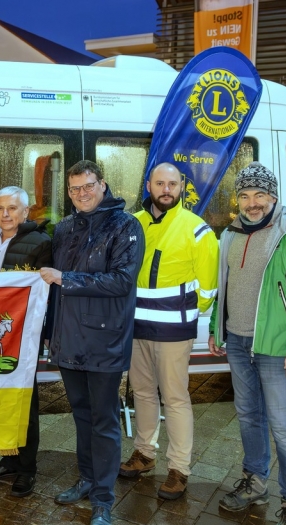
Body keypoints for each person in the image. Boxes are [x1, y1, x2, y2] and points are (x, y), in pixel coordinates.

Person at [210, 162, 286, 525]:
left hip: (278, 349)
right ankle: (256, 482)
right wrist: (218, 328)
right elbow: (222, 286)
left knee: (285, 429)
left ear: (273, 196)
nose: (252, 202)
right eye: (245, 195)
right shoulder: (230, 233)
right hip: (240, 343)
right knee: (248, 416)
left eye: (260, 195)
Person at [39, 160, 144, 525]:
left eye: (88, 186)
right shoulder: (65, 228)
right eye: (74, 189)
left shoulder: (126, 226)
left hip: (103, 341)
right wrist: (51, 332)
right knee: (81, 416)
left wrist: (66, 278)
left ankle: (103, 500)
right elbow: (53, 292)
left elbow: (120, 281)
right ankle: (86, 479)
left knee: (104, 421)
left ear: (103, 184)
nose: (81, 194)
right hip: (68, 341)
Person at [119, 163, 218, 501]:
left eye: (172, 184)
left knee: (175, 399)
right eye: (159, 182)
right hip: (136, 327)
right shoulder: (134, 223)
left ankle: (179, 469)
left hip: (174, 329)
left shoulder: (197, 229)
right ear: (148, 184)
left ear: (181, 187)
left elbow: (208, 288)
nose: (165, 189)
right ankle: (144, 454)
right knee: (143, 395)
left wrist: (188, 312)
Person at [0, 186, 52, 498]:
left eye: (12, 209)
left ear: (26, 212)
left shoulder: (41, 243)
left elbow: (41, 295)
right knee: (1, 399)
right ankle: (8, 459)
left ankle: (27, 468)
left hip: (23, 336)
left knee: (25, 402)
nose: (5, 214)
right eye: (0, 209)